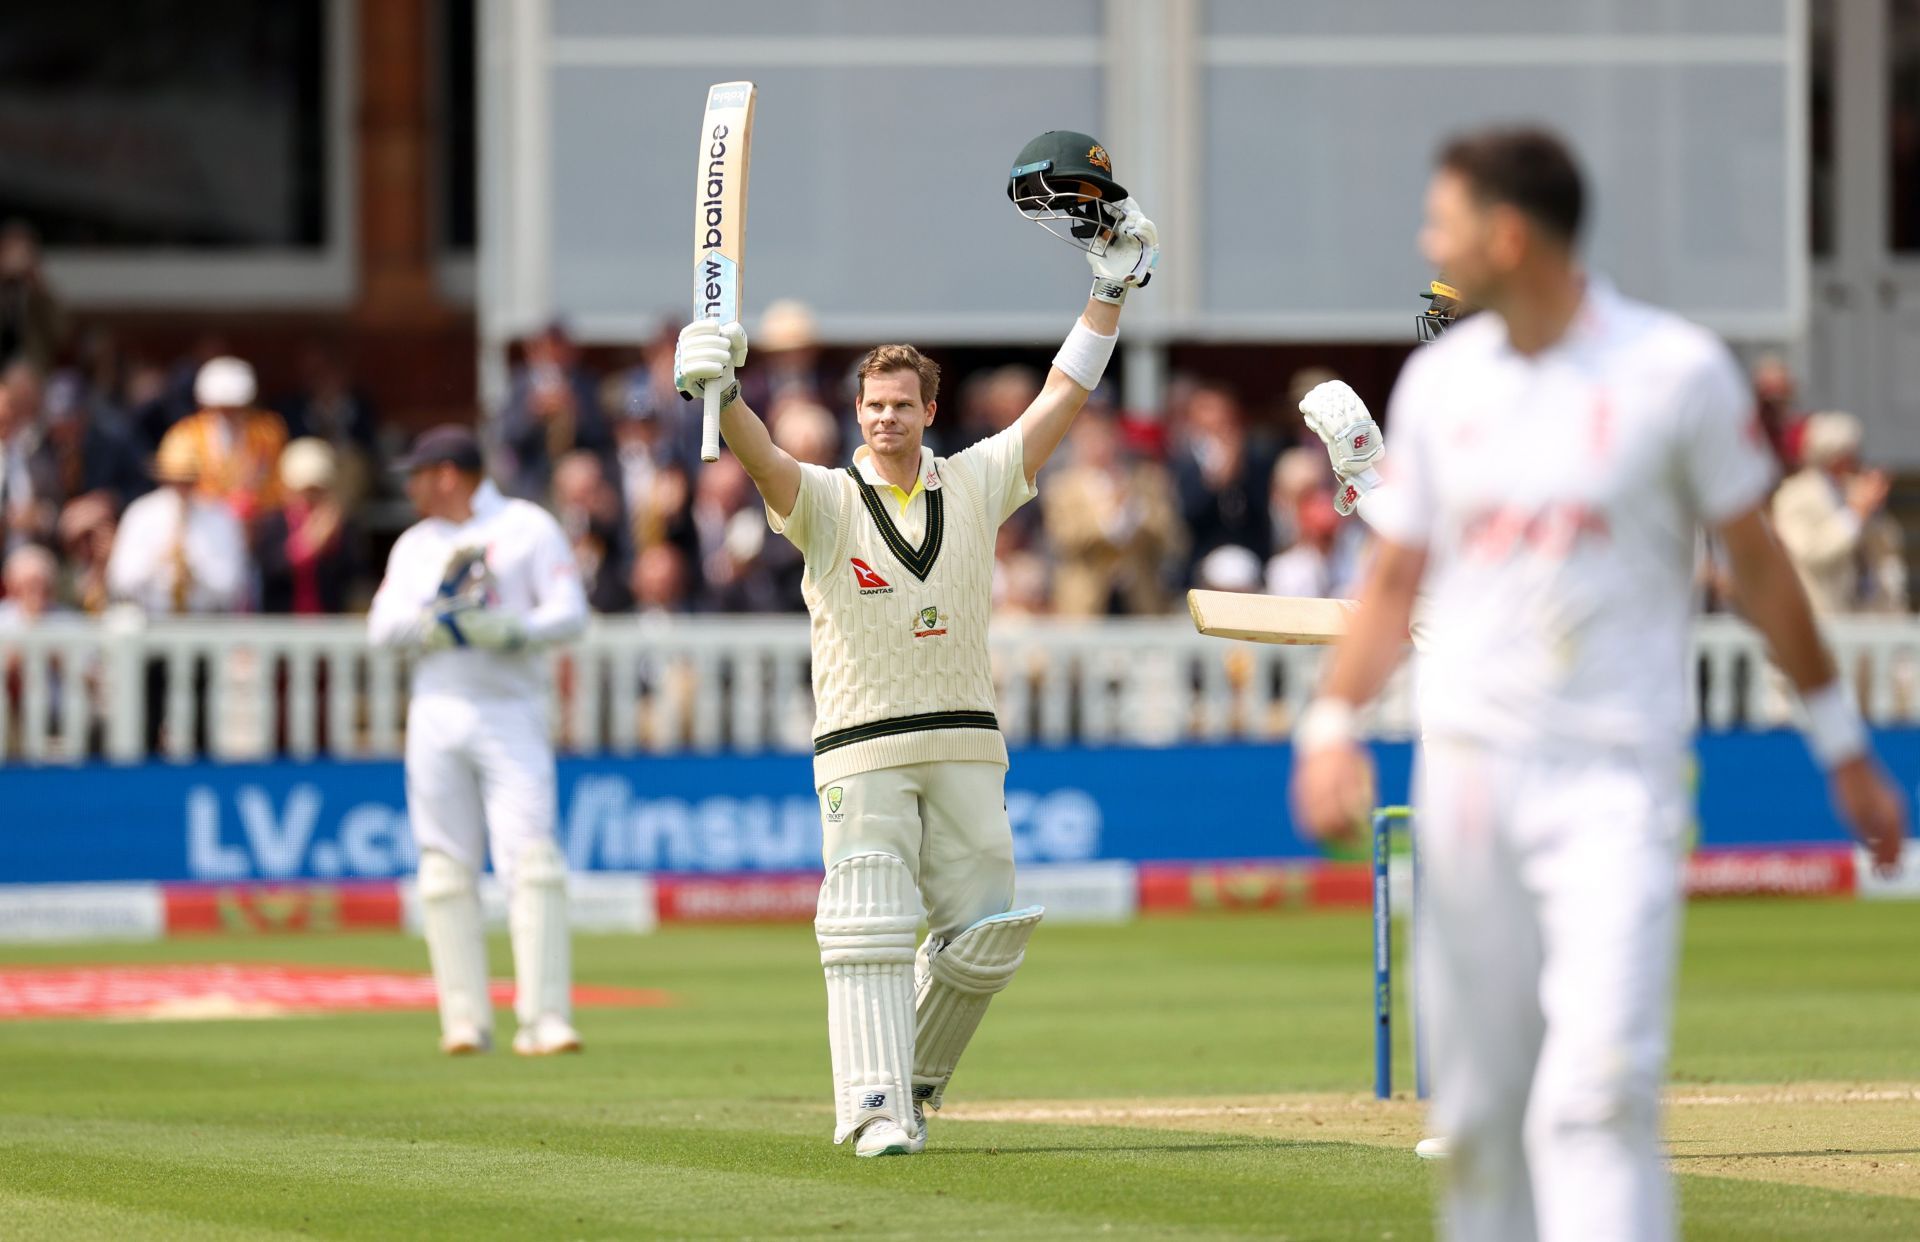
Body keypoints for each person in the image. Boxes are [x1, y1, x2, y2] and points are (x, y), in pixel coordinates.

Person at [1289, 127, 1906, 1242]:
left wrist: (1843, 747)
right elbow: (1394, 577)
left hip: (1616, 781)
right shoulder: (1441, 385)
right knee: (1482, 1118)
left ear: (1510, 235)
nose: (1430, 242)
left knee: (1599, 1098)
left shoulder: (1673, 372)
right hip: (1469, 777)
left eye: (1445, 222)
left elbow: (1760, 568)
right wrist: (1330, 725)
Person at [672, 130, 1156, 1157]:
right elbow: (760, 464)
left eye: (902, 407)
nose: (886, 420)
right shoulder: (831, 500)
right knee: (866, 917)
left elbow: (1063, 400)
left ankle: (913, 1082)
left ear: (929, 412)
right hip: (863, 740)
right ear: (856, 415)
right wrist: (723, 390)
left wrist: (1109, 296)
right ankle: (871, 1108)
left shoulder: (978, 479)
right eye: (872, 407)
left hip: (968, 734)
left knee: (986, 936)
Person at [366, 425, 590, 1057]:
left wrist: (509, 630)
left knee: (533, 862)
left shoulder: (525, 526)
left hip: (509, 710)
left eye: (418, 473)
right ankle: (463, 1020)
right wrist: (433, 628)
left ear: (448, 474)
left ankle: (544, 1018)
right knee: (443, 866)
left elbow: (571, 611)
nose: (409, 486)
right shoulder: (415, 544)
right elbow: (381, 627)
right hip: (437, 709)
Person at [1771, 410, 1902, 616]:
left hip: (1868, 615)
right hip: (1823, 615)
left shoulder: (1853, 490)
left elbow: (1888, 547)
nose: (1858, 461)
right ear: (1836, 457)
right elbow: (1811, 553)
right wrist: (1856, 514)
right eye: (1852, 455)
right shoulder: (1794, 496)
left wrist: (1874, 512)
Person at [158, 356, 290, 523]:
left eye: (234, 407)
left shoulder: (268, 432)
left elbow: (279, 486)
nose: (227, 414)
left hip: (258, 526)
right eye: (220, 407)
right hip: (201, 525)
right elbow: (175, 489)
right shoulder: (183, 436)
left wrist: (253, 502)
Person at [253, 438, 358, 615]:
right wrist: (309, 544)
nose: (309, 498)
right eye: (304, 491)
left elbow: (353, 575)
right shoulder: (273, 523)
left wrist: (333, 543)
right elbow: (271, 570)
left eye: (316, 491)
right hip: (281, 630)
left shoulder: (341, 526)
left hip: (328, 627)